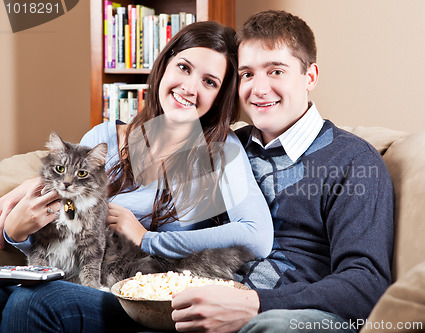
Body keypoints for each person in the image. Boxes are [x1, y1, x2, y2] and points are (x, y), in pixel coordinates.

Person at [0, 21, 273, 332]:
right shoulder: (104, 138)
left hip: (149, 299)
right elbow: (66, 229)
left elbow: (257, 237)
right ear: (164, 65)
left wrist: (148, 239)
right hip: (86, 280)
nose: (189, 87)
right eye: (183, 67)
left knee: (32, 302)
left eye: (209, 82)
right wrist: (16, 233)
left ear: (219, 96)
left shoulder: (219, 149)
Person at [168, 10, 395, 333]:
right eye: (247, 74)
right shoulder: (227, 147)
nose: (259, 89)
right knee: (69, 300)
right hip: (199, 307)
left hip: (295, 316)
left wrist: (255, 304)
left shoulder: (354, 161)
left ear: (310, 76)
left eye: (276, 71)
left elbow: (366, 284)